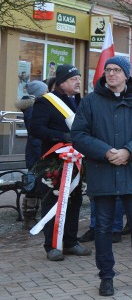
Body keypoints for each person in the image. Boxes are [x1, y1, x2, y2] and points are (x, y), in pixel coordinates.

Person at [71, 56, 132, 296]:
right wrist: (105, 151)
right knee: (103, 229)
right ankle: (106, 278)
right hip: (103, 174)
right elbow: (78, 135)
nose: (111, 74)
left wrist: (128, 151)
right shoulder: (91, 102)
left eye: (117, 70)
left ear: (126, 75)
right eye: (108, 70)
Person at [30, 64, 90, 262]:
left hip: (76, 160)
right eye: (74, 79)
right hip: (54, 161)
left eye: (79, 78)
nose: (78, 82)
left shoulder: (79, 101)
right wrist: (61, 137)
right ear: (62, 82)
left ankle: (71, 242)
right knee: (52, 202)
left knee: (74, 201)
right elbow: (36, 129)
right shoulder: (45, 102)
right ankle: (52, 245)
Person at [15, 80, 48, 230]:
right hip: (37, 153)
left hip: (36, 151)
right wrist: (41, 154)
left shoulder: (32, 106)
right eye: (45, 91)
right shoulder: (34, 108)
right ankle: (29, 219)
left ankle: (32, 218)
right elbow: (36, 135)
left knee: (35, 185)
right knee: (33, 186)